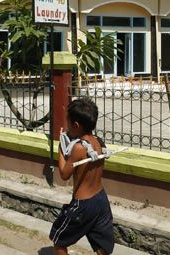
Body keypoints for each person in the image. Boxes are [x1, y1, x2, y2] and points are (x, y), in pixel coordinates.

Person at [50, 97, 114, 255]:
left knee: (58, 241)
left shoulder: (78, 148)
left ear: (76, 125)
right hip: (100, 200)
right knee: (101, 244)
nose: (67, 126)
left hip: (83, 205)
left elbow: (64, 174)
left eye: (68, 122)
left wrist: (60, 147)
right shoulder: (99, 141)